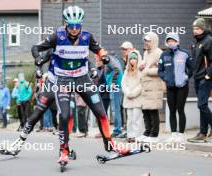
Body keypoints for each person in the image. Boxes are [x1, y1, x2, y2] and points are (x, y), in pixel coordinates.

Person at [31, 5, 130, 164]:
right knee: (64, 115)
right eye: (71, 26)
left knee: (101, 113)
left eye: (78, 25)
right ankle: (64, 150)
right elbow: (35, 47)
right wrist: (37, 59)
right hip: (63, 80)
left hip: (82, 79)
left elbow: (99, 50)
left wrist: (104, 57)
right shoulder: (57, 36)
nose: (75, 29)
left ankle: (110, 145)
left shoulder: (87, 37)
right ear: (66, 24)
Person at [158, 33, 193, 143]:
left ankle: (181, 134)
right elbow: (160, 70)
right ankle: (173, 134)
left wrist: (186, 77)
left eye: (173, 41)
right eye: (169, 41)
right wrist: (166, 78)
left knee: (180, 109)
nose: (170, 43)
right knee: (172, 110)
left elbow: (192, 68)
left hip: (182, 86)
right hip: (170, 87)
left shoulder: (185, 53)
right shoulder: (164, 55)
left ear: (177, 42)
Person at [187, 18, 212, 143]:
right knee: (203, 106)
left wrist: (208, 75)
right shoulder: (195, 43)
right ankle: (202, 133)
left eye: (197, 28)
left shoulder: (209, 41)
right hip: (197, 78)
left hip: (205, 79)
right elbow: (194, 63)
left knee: (201, 105)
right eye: (193, 28)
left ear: (202, 29)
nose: (194, 30)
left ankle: (205, 130)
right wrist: (188, 75)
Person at [138, 32, 164, 143]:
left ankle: (154, 135)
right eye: (145, 41)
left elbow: (161, 69)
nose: (146, 43)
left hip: (154, 86)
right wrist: (141, 66)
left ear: (153, 41)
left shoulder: (159, 53)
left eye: (148, 41)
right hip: (145, 86)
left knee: (153, 110)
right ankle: (147, 132)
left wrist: (147, 70)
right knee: (145, 110)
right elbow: (145, 65)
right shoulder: (146, 53)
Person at [122, 51, 144, 143]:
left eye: (134, 58)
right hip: (128, 98)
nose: (132, 60)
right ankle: (130, 135)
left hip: (137, 98)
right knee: (130, 118)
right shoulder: (126, 71)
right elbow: (123, 83)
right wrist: (128, 92)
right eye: (131, 58)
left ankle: (137, 135)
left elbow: (141, 84)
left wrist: (133, 93)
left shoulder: (141, 71)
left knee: (137, 118)